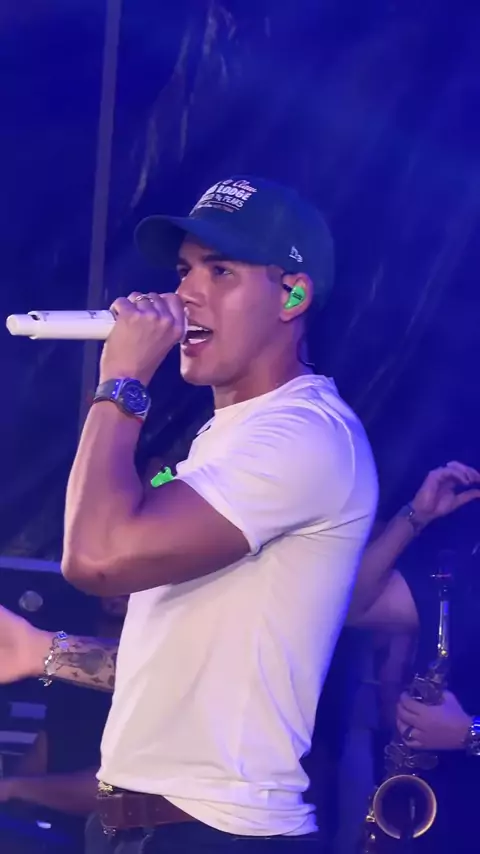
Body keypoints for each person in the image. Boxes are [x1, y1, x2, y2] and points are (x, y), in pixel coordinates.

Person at [0, 177, 378, 853]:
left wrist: (122, 381)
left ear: (292, 296)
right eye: (183, 270)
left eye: (221, 271)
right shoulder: (229, 437)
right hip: (144, 826)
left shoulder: (304, 436)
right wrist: (46, 653)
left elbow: (95, 559)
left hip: (216, 835)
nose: (186, 295)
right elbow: (188, 667)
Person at [308, 461, 480, 853]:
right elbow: (353, 605)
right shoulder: (467, 574)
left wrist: (469, 732)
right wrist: (414, 517)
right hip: (441, 819)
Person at [0, 596, 126, 854]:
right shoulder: (69, 689)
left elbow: (114, 791)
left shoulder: (169, 686)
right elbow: (39, 758)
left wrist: (16, 788)